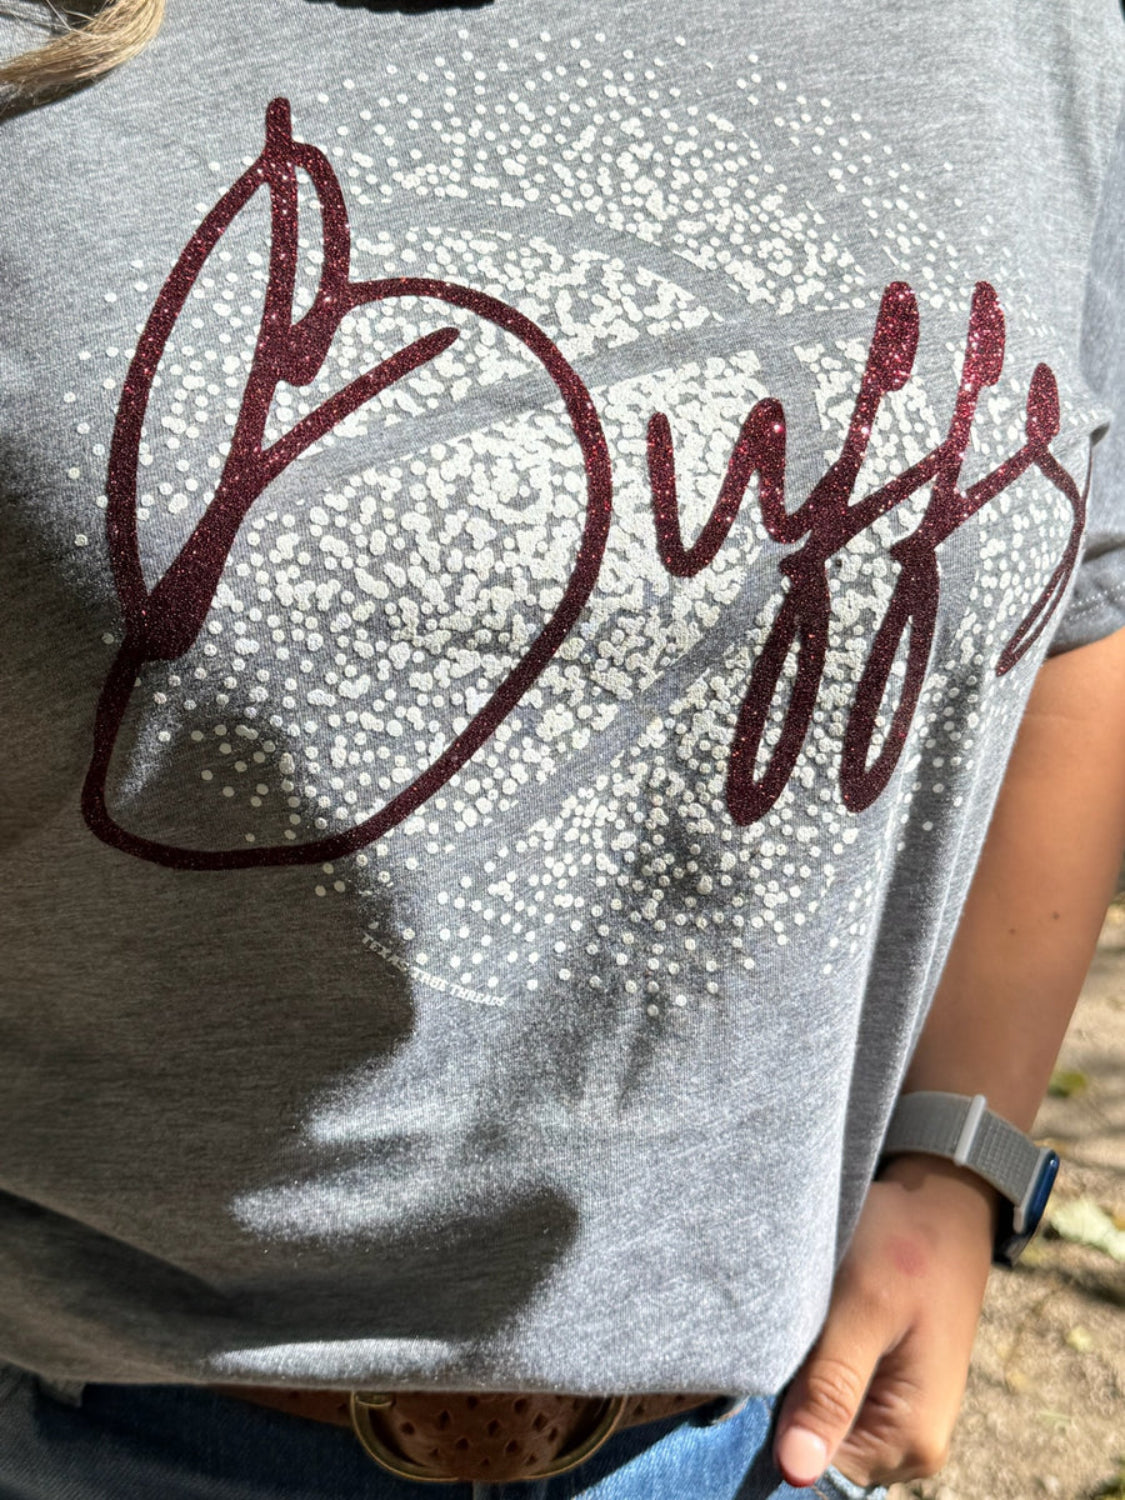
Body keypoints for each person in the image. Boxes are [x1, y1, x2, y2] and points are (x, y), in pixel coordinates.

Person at [0, 0, 1122, 1495]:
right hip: (79, 1425)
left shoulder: (1032, 29)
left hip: (753, 1443)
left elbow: (1078, 572)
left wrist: (955, 1156)